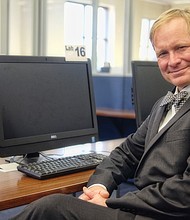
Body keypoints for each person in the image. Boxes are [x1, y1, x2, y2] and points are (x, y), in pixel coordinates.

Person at [10, 8, 190, 220]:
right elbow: (127, 152)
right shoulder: (164, 103)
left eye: (181, 48)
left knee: (52, 207)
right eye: (162, 53)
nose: (172, 60)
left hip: (162, 215)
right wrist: (98, 186)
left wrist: (112, 202)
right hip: (143, 209)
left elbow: (185, 192)